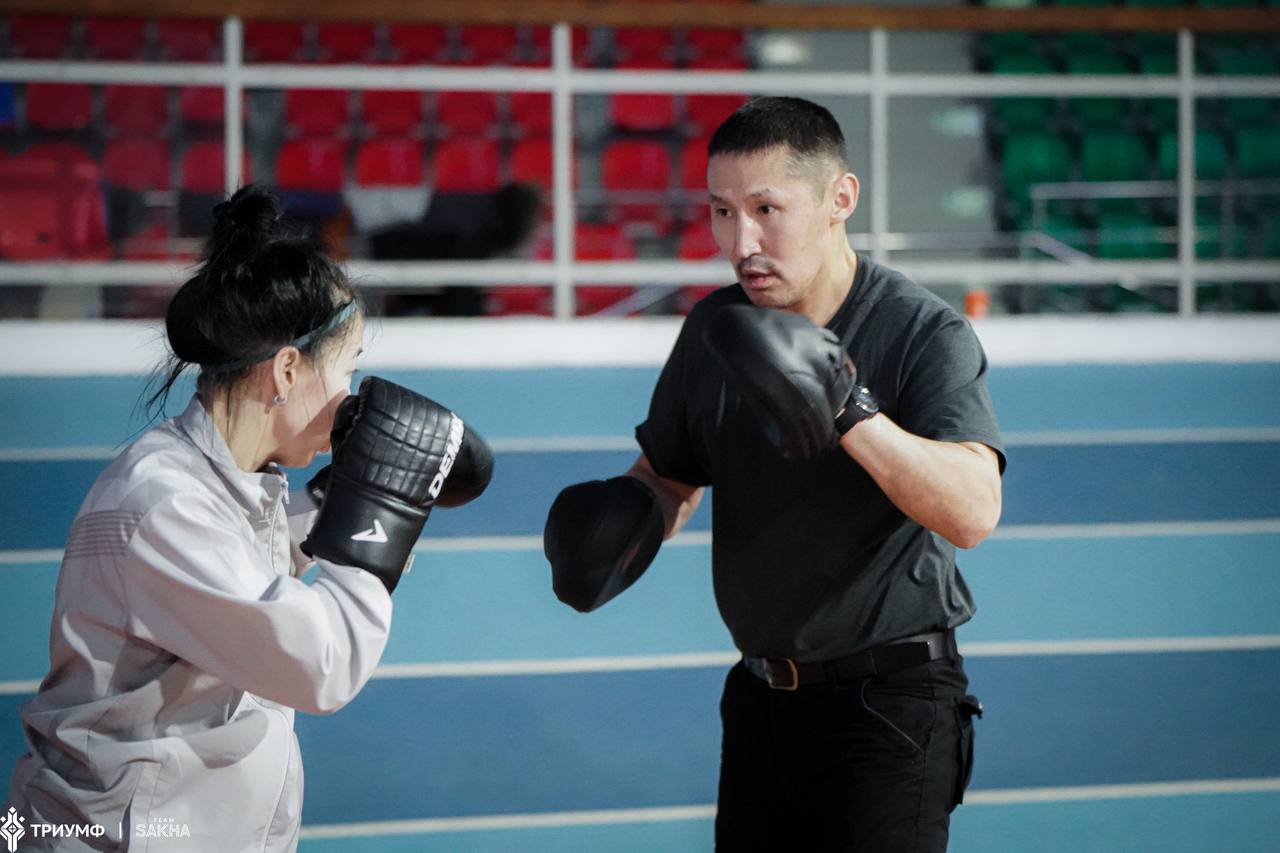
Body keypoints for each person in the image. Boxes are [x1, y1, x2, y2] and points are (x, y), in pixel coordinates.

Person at [543, 97, 1004, 851]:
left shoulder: (922, 331)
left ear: (839, 200)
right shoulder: (715, 332)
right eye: (722, 211)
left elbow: (974, 510)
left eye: (766, 209)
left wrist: (848, 408)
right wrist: (619, 526)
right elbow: (670, 475)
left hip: (890, 706)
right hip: (761, 700)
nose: (741, 240)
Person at [5, 184, 492, 851]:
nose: (353, 397)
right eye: (348, 369)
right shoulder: (160, 506)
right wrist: (380, 517)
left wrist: (338, 498)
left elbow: (242, 562)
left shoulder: (212, 482)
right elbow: (323, 663)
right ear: (287, 371)